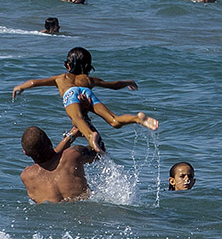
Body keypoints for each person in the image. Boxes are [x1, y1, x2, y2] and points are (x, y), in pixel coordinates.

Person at [12, 47, 159, 153]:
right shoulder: (88, 79)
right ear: (88, 66)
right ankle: (137, 118)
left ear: (67, 65)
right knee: (114, 120)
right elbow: (113, 85)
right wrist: (128, 82)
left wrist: (21, 87)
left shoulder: (61, 78)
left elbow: (35, 82)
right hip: (87, 93)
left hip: (70, 94)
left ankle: (90, 136)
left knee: (77, 119)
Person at [20, 126, 98, 203]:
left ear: (25, 153)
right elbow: (99, 149)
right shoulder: (74, 155)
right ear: (50, 142)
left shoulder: (27, 176)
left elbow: (50, 160)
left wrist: (70, 137)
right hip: (84, 210)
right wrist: (88, 130)